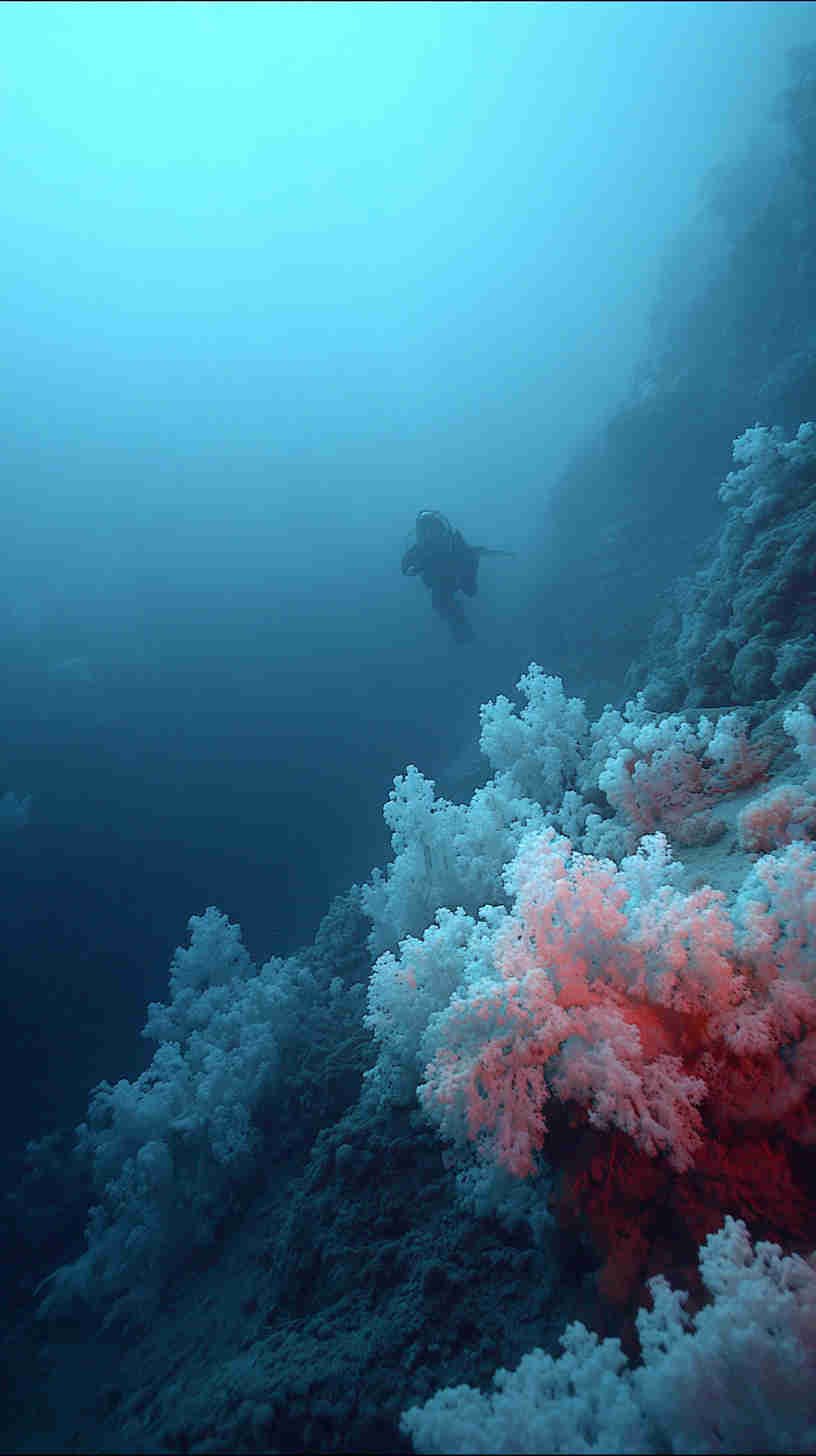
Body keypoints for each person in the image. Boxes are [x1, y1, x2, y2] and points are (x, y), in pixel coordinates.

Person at [401, 510, 513, 644]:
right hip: (441, 583)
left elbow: (473, 552)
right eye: (426, 531)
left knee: (470, 590)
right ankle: (463, 635)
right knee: (442, 604)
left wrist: (472, 559)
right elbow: (405, 565)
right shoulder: (420, 549)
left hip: (458, 573)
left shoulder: (454, 542)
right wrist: (413, 568)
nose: (430, 535)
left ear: (440, 528)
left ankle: (469, 629)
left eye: (433, 530)